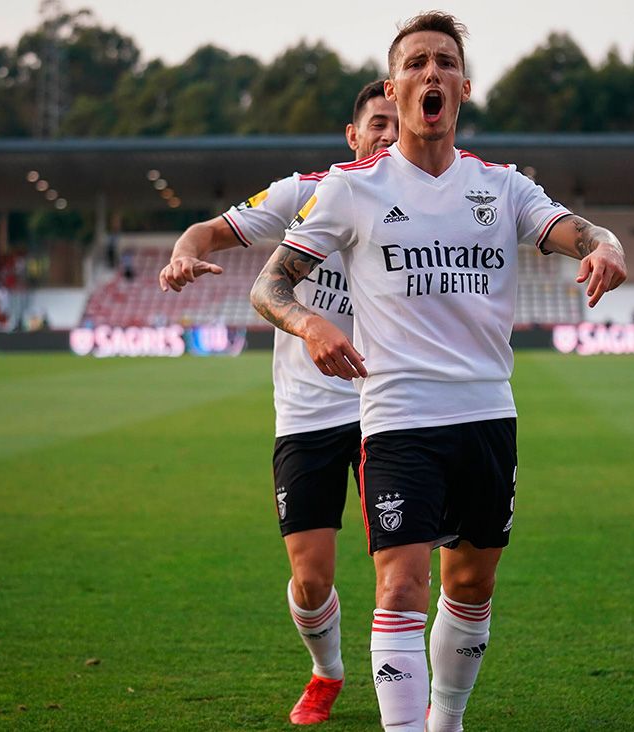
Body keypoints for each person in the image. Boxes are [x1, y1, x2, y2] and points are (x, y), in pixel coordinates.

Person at [249, 13, 627, 732]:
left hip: (488, 414)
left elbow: (572, 229)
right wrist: (311, 322)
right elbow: (269, 287)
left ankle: (445, 719)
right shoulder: (352, 189)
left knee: (472, 584)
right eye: (417, 62)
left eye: (445, 62)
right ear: (395, 88)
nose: (432, 73)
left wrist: (603, 243)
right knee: (399, 587)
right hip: (398, 420)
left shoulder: (502, 186)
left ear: (463, 86)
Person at [158, 80, 398, 725]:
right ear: (353, 136)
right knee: (312, 576)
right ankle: (327, 670)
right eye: (377, 123)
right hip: (308, 413)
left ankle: (406, 691)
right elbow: (208, 231)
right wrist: (184, 254)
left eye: (398, 123)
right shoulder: (301, 193)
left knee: (398, 573)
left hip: (390, 407)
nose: (389, 134)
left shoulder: (433, 204)